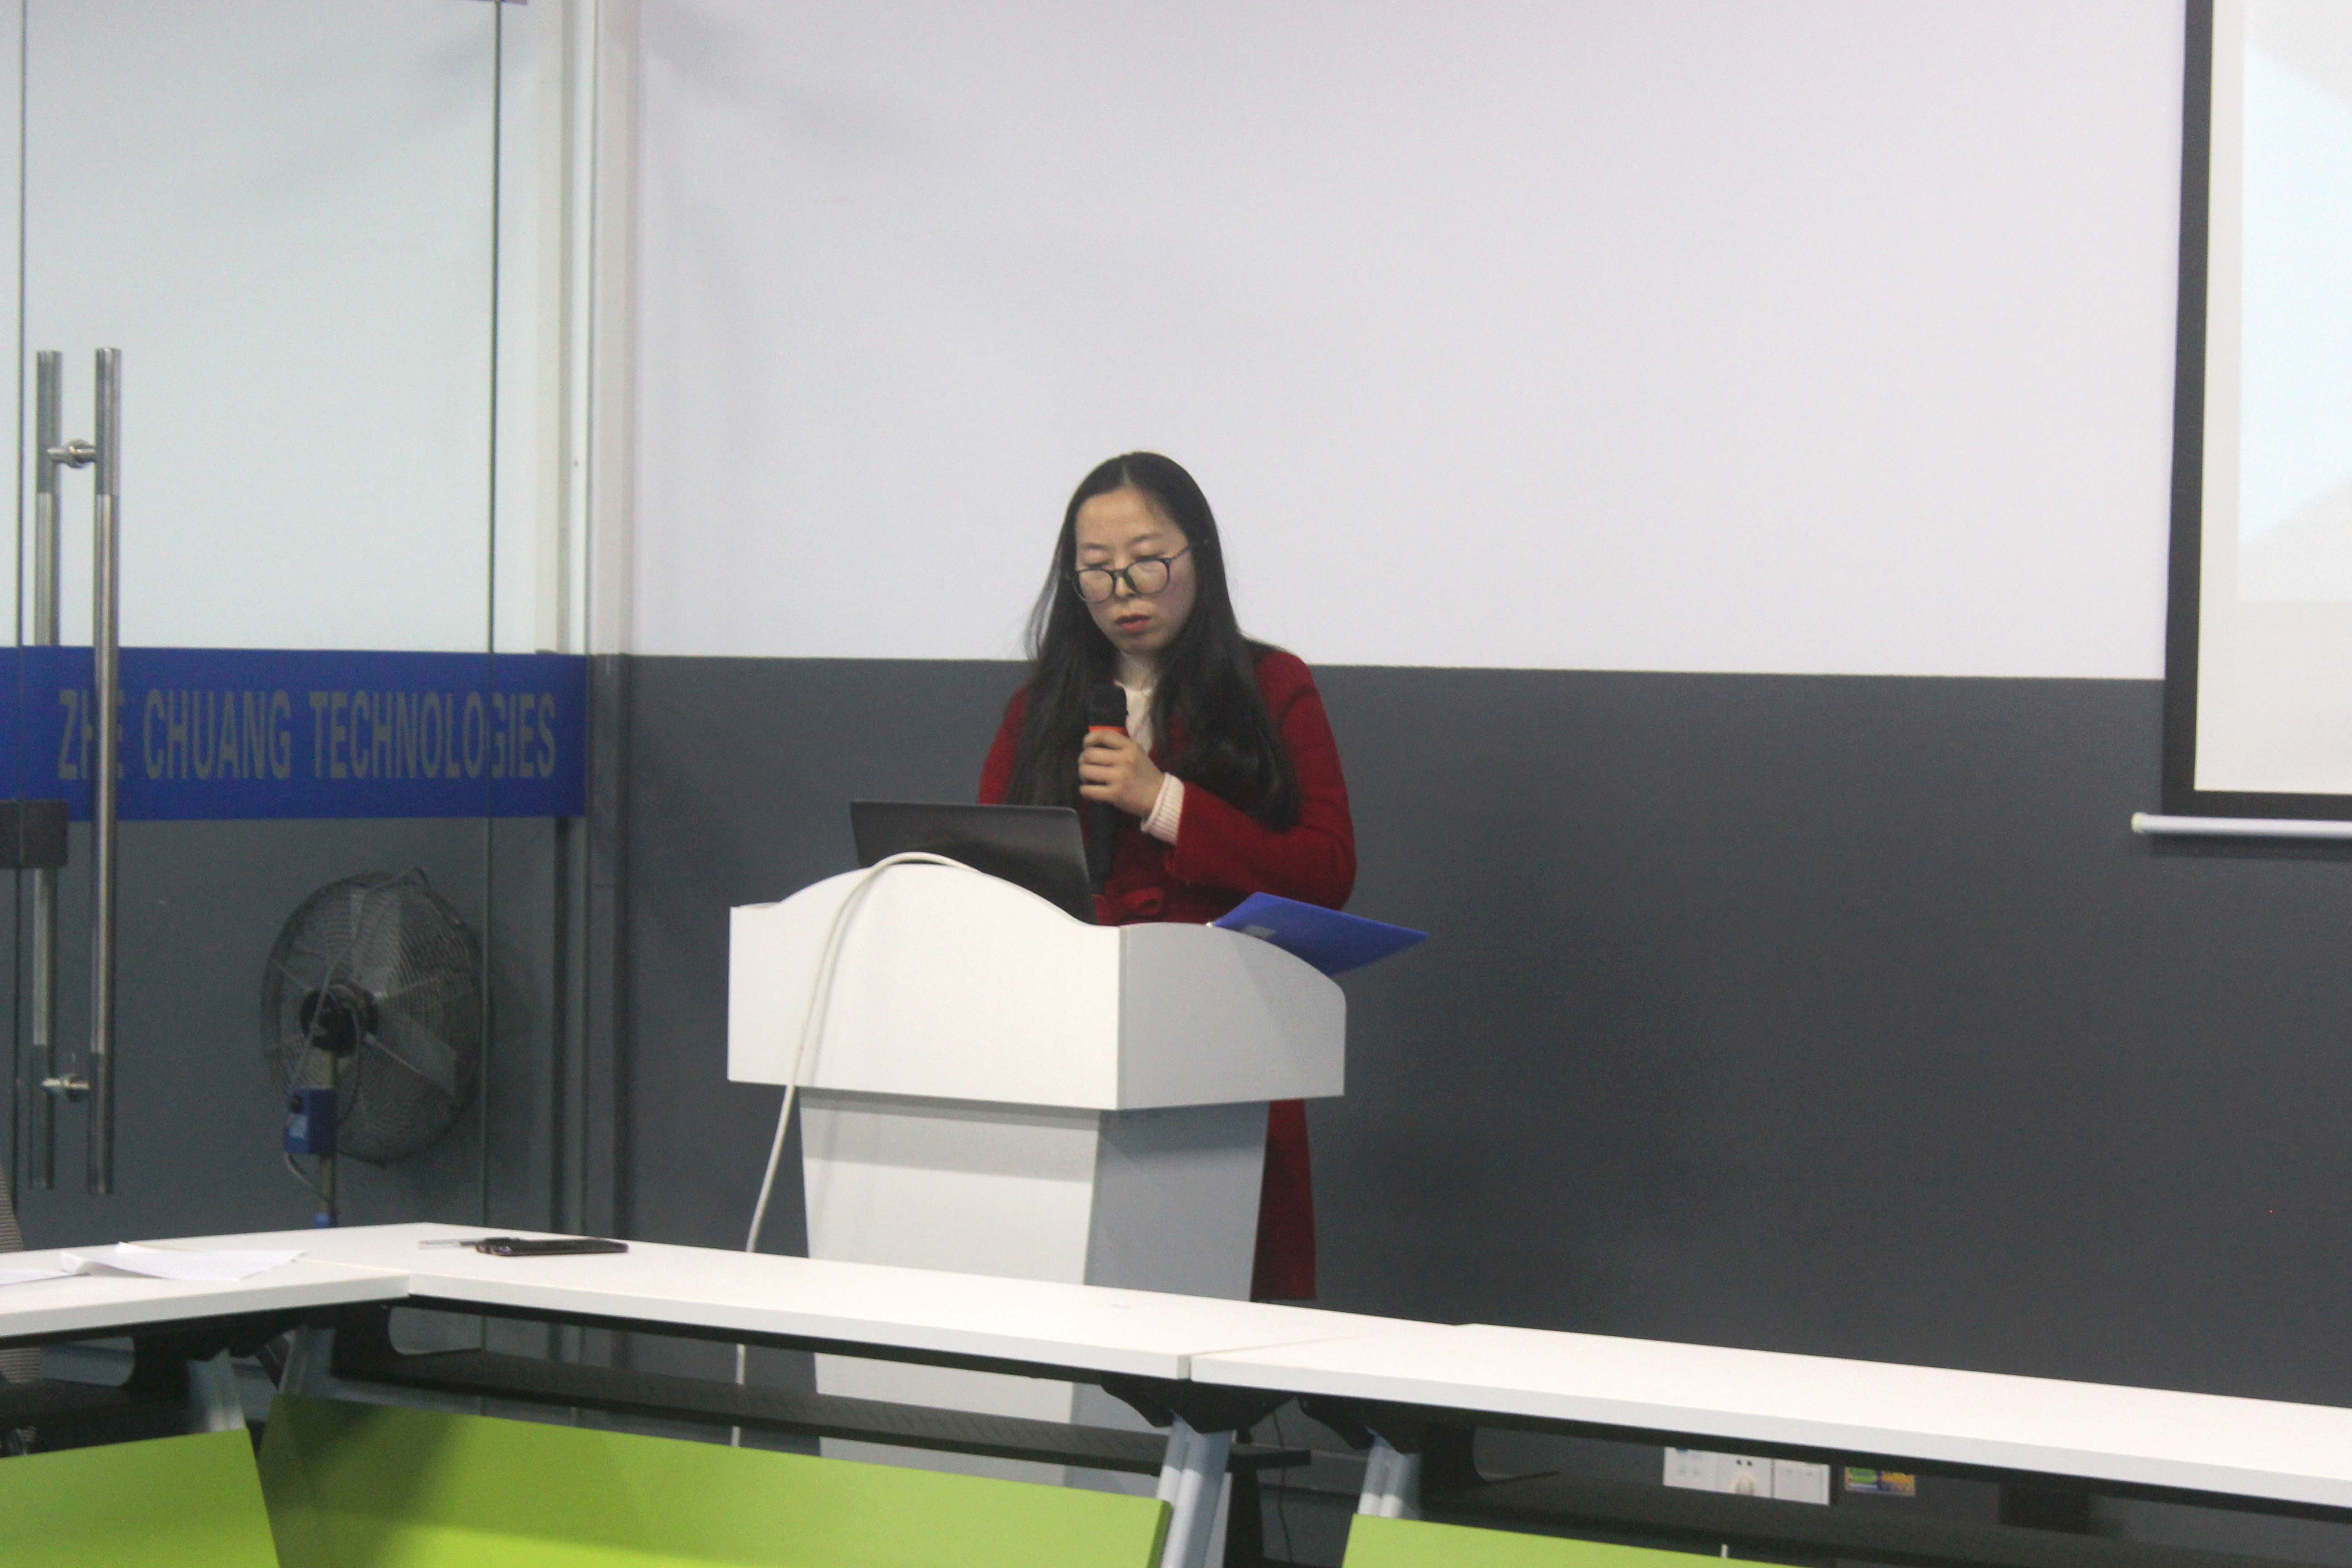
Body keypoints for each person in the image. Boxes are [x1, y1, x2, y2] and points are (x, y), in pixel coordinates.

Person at [980, 452, 1354, 1300]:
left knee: (1229, 1298)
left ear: (1199, 557)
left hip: (1222, 1043)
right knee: (1076, 1298)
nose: (1124, 590)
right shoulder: (1037, 710)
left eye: (1148, 561)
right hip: (1069, 1046)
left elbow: (1328, 869)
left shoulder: (1271, 687)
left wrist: (1165, 803)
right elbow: (991, 879)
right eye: (1097, 570)